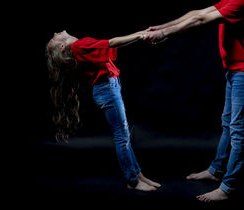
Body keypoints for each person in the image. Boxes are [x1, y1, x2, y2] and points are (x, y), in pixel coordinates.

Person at [143, 0, 244, 202]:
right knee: (228, 124)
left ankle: (227, 187)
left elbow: (201, 20)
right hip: (235, 71)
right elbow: (195, 12)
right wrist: (162, 27)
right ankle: (216, 171)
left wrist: (165, 35)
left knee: (238, 131)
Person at [45, 29, 161, 192]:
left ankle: (137, 174)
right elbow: (112, 42)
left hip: (108, 89)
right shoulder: (80, 45)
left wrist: (140, 35)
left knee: (124, 136)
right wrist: (140, 35)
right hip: (107, 90)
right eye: (54, 36)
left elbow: (111, 47)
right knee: (122, 137)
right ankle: (132, 180)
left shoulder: (79, 47)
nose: (56, 32)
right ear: (63, 46)